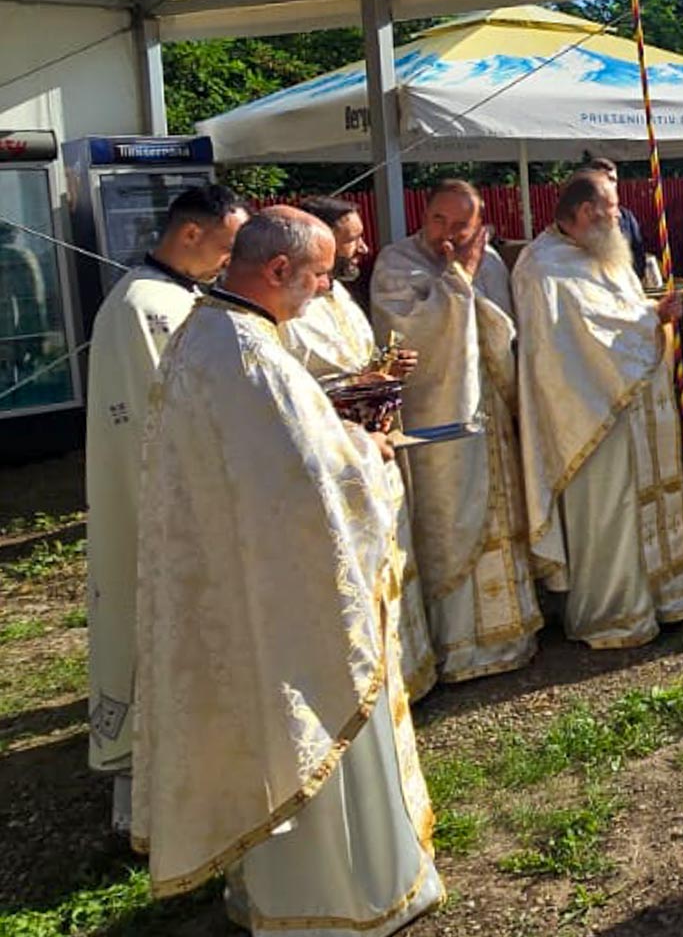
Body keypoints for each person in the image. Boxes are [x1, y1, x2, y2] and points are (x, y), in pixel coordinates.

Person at [136, 210, 441, 935]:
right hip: (290, 604)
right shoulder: (249, 356)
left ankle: (281, 893)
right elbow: (311, 487)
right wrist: (369, 454)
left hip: (248, 580)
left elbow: (281, 456)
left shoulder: (211, 333)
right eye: (320, 275)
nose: (325, 290)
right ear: (278, 271)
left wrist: (339, 436)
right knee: (313, 723)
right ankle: (343, 897)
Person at [83, 184, 247, 833]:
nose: (231, 262)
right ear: (190, 235)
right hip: (161, 506)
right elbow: (179, 415)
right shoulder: (146, 307)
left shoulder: (174, 297)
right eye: (227, 247)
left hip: (178, 495)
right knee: (159, 626)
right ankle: (152, 797)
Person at [513, 172, 683, 645]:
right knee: (609, 512)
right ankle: (612, 613)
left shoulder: (602, 250)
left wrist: (651, 312)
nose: (619, 217)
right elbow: (583, 333)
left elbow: (620, 308)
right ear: (584, 213)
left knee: (642, 501)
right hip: (586, 415)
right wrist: (651, 319)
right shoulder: (543, 266)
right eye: (612, 209)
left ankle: (665, 598)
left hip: (627, 400)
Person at [372, 181, 543, 682]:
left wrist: (470, 278)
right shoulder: (396, 262)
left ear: (479, 223)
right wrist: (458, 282)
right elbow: (407, 332)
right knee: (449, 516)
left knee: (499, 511)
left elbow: (504, 330)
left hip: (488, 411)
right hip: (437, 419)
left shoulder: (490, 261)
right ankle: (458, 645)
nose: (446, 233)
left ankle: (511, 634)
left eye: (460, 225)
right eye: (437, 219)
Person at [283, 197, 435, 702]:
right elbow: (290, 393)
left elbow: (357, 363)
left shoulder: (341, 297)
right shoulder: (288, 312)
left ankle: (406, 674)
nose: (364, 248)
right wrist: (363, 380)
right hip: (334, 460)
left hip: (376, 453)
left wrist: (387, 369)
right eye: (352, 239)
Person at [582, 155, 663, 286]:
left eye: (613, 180)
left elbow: (638, 253)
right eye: (604, 179)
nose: (610, 184)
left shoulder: (626, 217)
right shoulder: (581, 217)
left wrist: (632, 280)